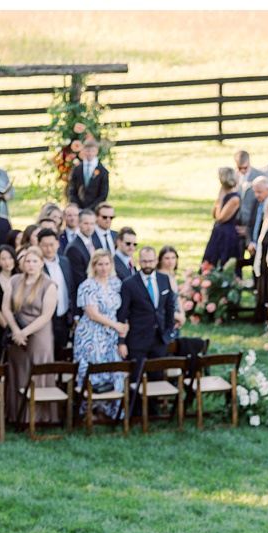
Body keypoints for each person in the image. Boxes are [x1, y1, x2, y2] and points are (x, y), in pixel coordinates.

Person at [0, 239, 58, 427]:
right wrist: (16, 331)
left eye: (35, 261)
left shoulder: (49, 285)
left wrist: (24, 332)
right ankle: (16, 414)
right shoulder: (14, 280)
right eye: (28, 261)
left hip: (38, 336)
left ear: (42, 263)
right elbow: (5, 308)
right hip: (17, 334)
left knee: (36, 371)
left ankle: (39, 417)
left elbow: (46, 315)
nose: (31, 265)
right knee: (19, 371)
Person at [74, 248, 128, 420]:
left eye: (107, 264)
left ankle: (110, 410)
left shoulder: (115, 283)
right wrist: (117, 326)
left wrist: (121, 329)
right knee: (94, 369)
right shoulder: (87, 286)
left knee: (112, 368)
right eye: (100, 264)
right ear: (94, 266)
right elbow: (93, 314)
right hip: (92, 333)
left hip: (111, 335)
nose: (104, 268)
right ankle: (90, 411)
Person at [117, 237, 178, 383]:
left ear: (156, 260)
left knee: (157, 379)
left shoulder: (164, 279)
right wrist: (121, 341)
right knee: (136, 380)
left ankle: (152, 406)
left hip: (159, 338)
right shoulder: (129, 284)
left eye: (150, 261)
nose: (147, 265)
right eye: (144, 261)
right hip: (138, 339)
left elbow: (169, 308)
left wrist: (169, 331)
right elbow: (122, 314)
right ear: (138, 261)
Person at [37, 227, 75, 358]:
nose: (49, 249)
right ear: (39, 246)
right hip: (45, 318)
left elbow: (70, 289)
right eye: (45, 245)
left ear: (58, 244)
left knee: (61, 353)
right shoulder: (37, 266)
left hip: (63, 317)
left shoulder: (65, 262)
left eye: (52, 244)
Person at [203, 168, 243, 269]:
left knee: (224, 260)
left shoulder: (234, 198)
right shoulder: (225, 195)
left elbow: (220, 217)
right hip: (218, 231)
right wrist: (219, 198)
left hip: (227, 233)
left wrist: (220, 199)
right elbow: (213, 213)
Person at [68, 134, 110, 211]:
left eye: (92, 151)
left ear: (96, 151)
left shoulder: (102, 171)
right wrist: (77, 206)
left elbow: (103, 193)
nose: (90, 153)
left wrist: (93, 207)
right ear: (83, 150)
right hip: (79, 208)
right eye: (88, 150)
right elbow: (71, 189)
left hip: (95, 208)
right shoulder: (77, 170)